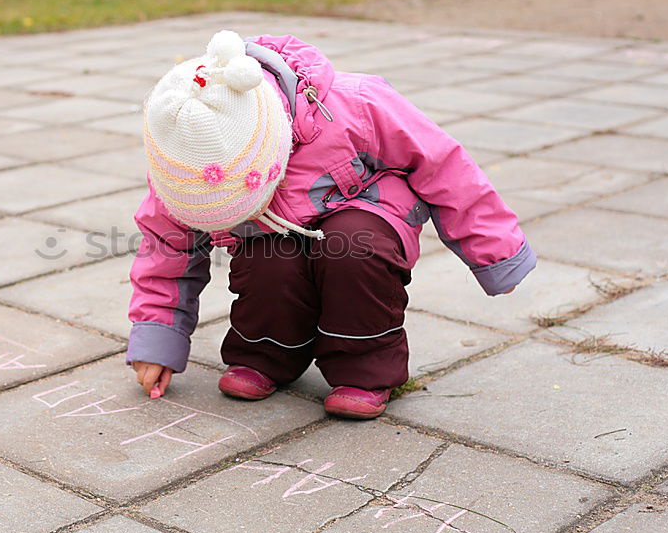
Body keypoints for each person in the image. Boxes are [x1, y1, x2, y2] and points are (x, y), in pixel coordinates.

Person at [126, 30, 535, 419]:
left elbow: (443, 167)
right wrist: (157, 339)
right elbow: (167, 245)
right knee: (269, 258)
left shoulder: (354, 103)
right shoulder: (184, 160)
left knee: (352, 248)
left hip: (364, 211)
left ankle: (363, 368)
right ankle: (269, 351)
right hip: (271, 230)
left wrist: (496, 252)